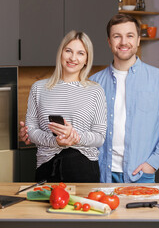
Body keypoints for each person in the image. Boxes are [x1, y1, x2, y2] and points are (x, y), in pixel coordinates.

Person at [21, 14, 159, 183]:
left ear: (138, 40)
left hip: (140, 172)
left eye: (130, 36)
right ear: (109, 42)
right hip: (102, 171)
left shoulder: (157, 78)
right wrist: (32, 133)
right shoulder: (95, 82)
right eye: (117, 36)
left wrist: (153, 163)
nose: (123, 42)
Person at [24, 30, 107, 183]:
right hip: (47, 167)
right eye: (68, 51)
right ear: (61, 53)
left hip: (83, 167)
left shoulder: (96, 91)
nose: (73, 58)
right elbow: (31, 131)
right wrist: (56, 141)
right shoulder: (38, 88)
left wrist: (75, 137)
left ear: (87, 59)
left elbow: (100, 137)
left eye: (80, 53)